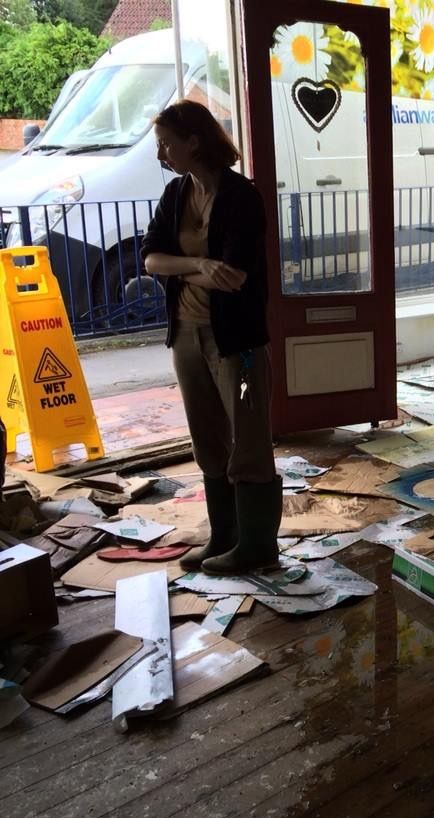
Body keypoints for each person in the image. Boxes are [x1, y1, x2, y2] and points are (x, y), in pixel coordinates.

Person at [141, 100, 281, 576]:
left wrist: (180, 268)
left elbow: (235, 276)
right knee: (207, 440)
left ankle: (258, 546)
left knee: (249, 440)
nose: (160, 153)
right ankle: (225, 535)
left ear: (194, 142)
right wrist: (199, 265)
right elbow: (150, 259)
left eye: (167, 144)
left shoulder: (242, 196)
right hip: (186, 335)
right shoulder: (176, 194)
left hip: (236, 342)